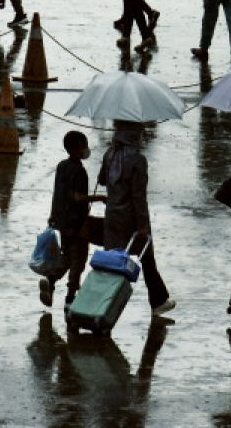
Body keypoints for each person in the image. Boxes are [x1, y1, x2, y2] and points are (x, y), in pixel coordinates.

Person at [100, 121, 175, 318]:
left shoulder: (110, 154)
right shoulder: (137, 160)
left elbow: (101, 180)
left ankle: (99, 303)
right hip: (131, 218)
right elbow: (138, 196)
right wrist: (142, 225)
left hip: (112, 216)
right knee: (147, 258)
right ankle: (158, 301)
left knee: (111, 263)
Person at [42, 130, 105, 309]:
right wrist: (99, 198)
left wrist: (53, 215)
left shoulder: (62, 166)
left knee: (68, 256)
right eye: (84, 145)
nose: (86, 149)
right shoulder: (79, 171)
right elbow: (78, 197)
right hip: (77, 223)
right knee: (78, 260)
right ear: (76, 149)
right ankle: (70, 298)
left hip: (62, 221)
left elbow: (57, 193)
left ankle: (51, 282)